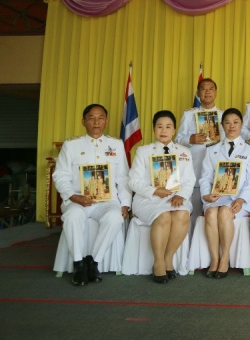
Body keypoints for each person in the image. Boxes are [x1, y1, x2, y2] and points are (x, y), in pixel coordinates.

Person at [52, 104, 130, 286]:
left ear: (106, 121)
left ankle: (94, 262)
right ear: (83, 121)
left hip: (107, 201)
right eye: (91, 118)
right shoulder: (71, 145)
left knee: (115, 218)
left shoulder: (116, 144)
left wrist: (125, 203)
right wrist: (72, 196)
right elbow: (60, 175)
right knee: (72, 216)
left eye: (100, 118)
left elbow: (123, 177)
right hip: (77, 199)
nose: (96, 122)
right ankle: (78, 264)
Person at [129, 111, 196, 283]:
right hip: (148, 199)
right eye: (159, 127)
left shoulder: (184, 152)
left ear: (174, 130)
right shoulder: (143, 151)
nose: (164, 130)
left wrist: (181, 195)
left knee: (182, 214)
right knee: (164, 216)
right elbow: (133, 181)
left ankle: (168, 258)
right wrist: (154, 191)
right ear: (154, 129)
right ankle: (158, 262)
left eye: (168, 127)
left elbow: (189, 179)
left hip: (175, 197)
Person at [199, 108, 250, 279]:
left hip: (240, 199)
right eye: (227, 122)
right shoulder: (212, 149)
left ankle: (224, 258)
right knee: (211, 212)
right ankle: (215, 259)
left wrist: (241, 199)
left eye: (235, 122)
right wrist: (206, 195)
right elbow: (205, 178)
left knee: (225, 212)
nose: (231, 126)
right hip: (217, 197)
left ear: (241, 124)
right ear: (222, 125)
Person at [175, 78, 223, 230]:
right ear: (198, 93)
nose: (207, 92)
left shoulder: (224, 116)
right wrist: (190, 139)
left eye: (210, 89)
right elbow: (177, 140)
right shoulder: (189, 114)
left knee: (213, 216)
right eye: (203, 89)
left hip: (217, 174)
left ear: (216, 92)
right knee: (194, 214)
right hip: (195, 171)